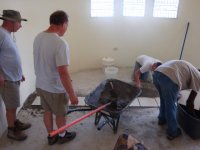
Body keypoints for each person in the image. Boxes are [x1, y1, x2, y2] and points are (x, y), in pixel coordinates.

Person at [33, 10, 79, 145]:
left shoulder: (38, 37)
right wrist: (72, 95)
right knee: (60, 114)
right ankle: (62, 135)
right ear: (63, 23)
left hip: (40, 84)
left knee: (47, 111)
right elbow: (63, 72)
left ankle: (51, 136)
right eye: (67, 25)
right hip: (55, 88)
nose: (67, 28)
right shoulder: (60, 43)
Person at [0, 10, 31, 141]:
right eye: (19, 22)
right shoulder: (1, 34)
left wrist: (19, 73)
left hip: (14, 76)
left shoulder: (7, 34)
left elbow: (10, 56)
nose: (20, 25)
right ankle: (11, 131)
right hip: (7, 78)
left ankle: (15, 122)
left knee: (13, 104)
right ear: (10, 22)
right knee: (11, 106)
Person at [153, 60, 200, 140]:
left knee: (164, 99)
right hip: (168, 78)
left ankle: (162, 119)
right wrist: (193, 114)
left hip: (157, 73)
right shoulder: (198, 77)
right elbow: (190, 101)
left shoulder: (192, 69)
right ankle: (173, 132)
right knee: (170, 105)